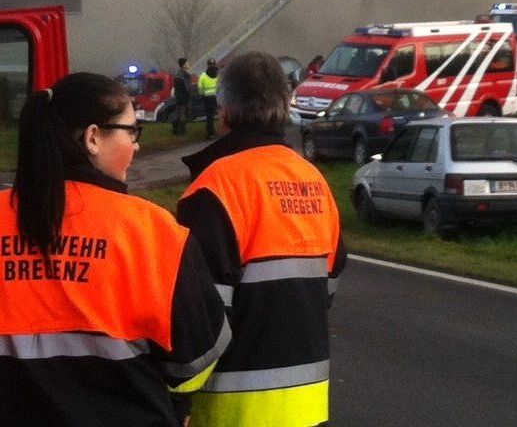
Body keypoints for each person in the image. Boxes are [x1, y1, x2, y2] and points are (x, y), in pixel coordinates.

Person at [0, 72, 230, 426]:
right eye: (131, 130)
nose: (137, 144)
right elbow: (198, 355)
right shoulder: (153, 231)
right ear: (93, 138)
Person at [178, 51, 346, 427]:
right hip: (307, 410)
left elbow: (199, 320)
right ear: (284, 105)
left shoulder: (215, 187)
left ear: (223, 111)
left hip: (230, 413)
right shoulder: (313, 181)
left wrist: (176, 400)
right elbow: (325, 291)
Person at [196, 59, 219, 140]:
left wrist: (202, 94)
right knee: (222, 114)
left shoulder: (203, 76)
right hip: (218, 98)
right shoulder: (219, 74)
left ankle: (211, 133)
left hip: (208, 99)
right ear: (215, 64)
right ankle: (223, 131)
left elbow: (200, 88)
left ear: (207, 65)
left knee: (210, 116)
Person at [172, 56, 193, 136]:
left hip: (180, 97)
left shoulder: (179, 74)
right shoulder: (182, 75)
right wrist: (189, 95)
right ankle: (181, 131)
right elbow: (186, 88)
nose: (189, 64)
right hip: (183, 98)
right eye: (187, 63)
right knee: (182, 114)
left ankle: (176, 129)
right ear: (183, 64)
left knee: (179, 114)